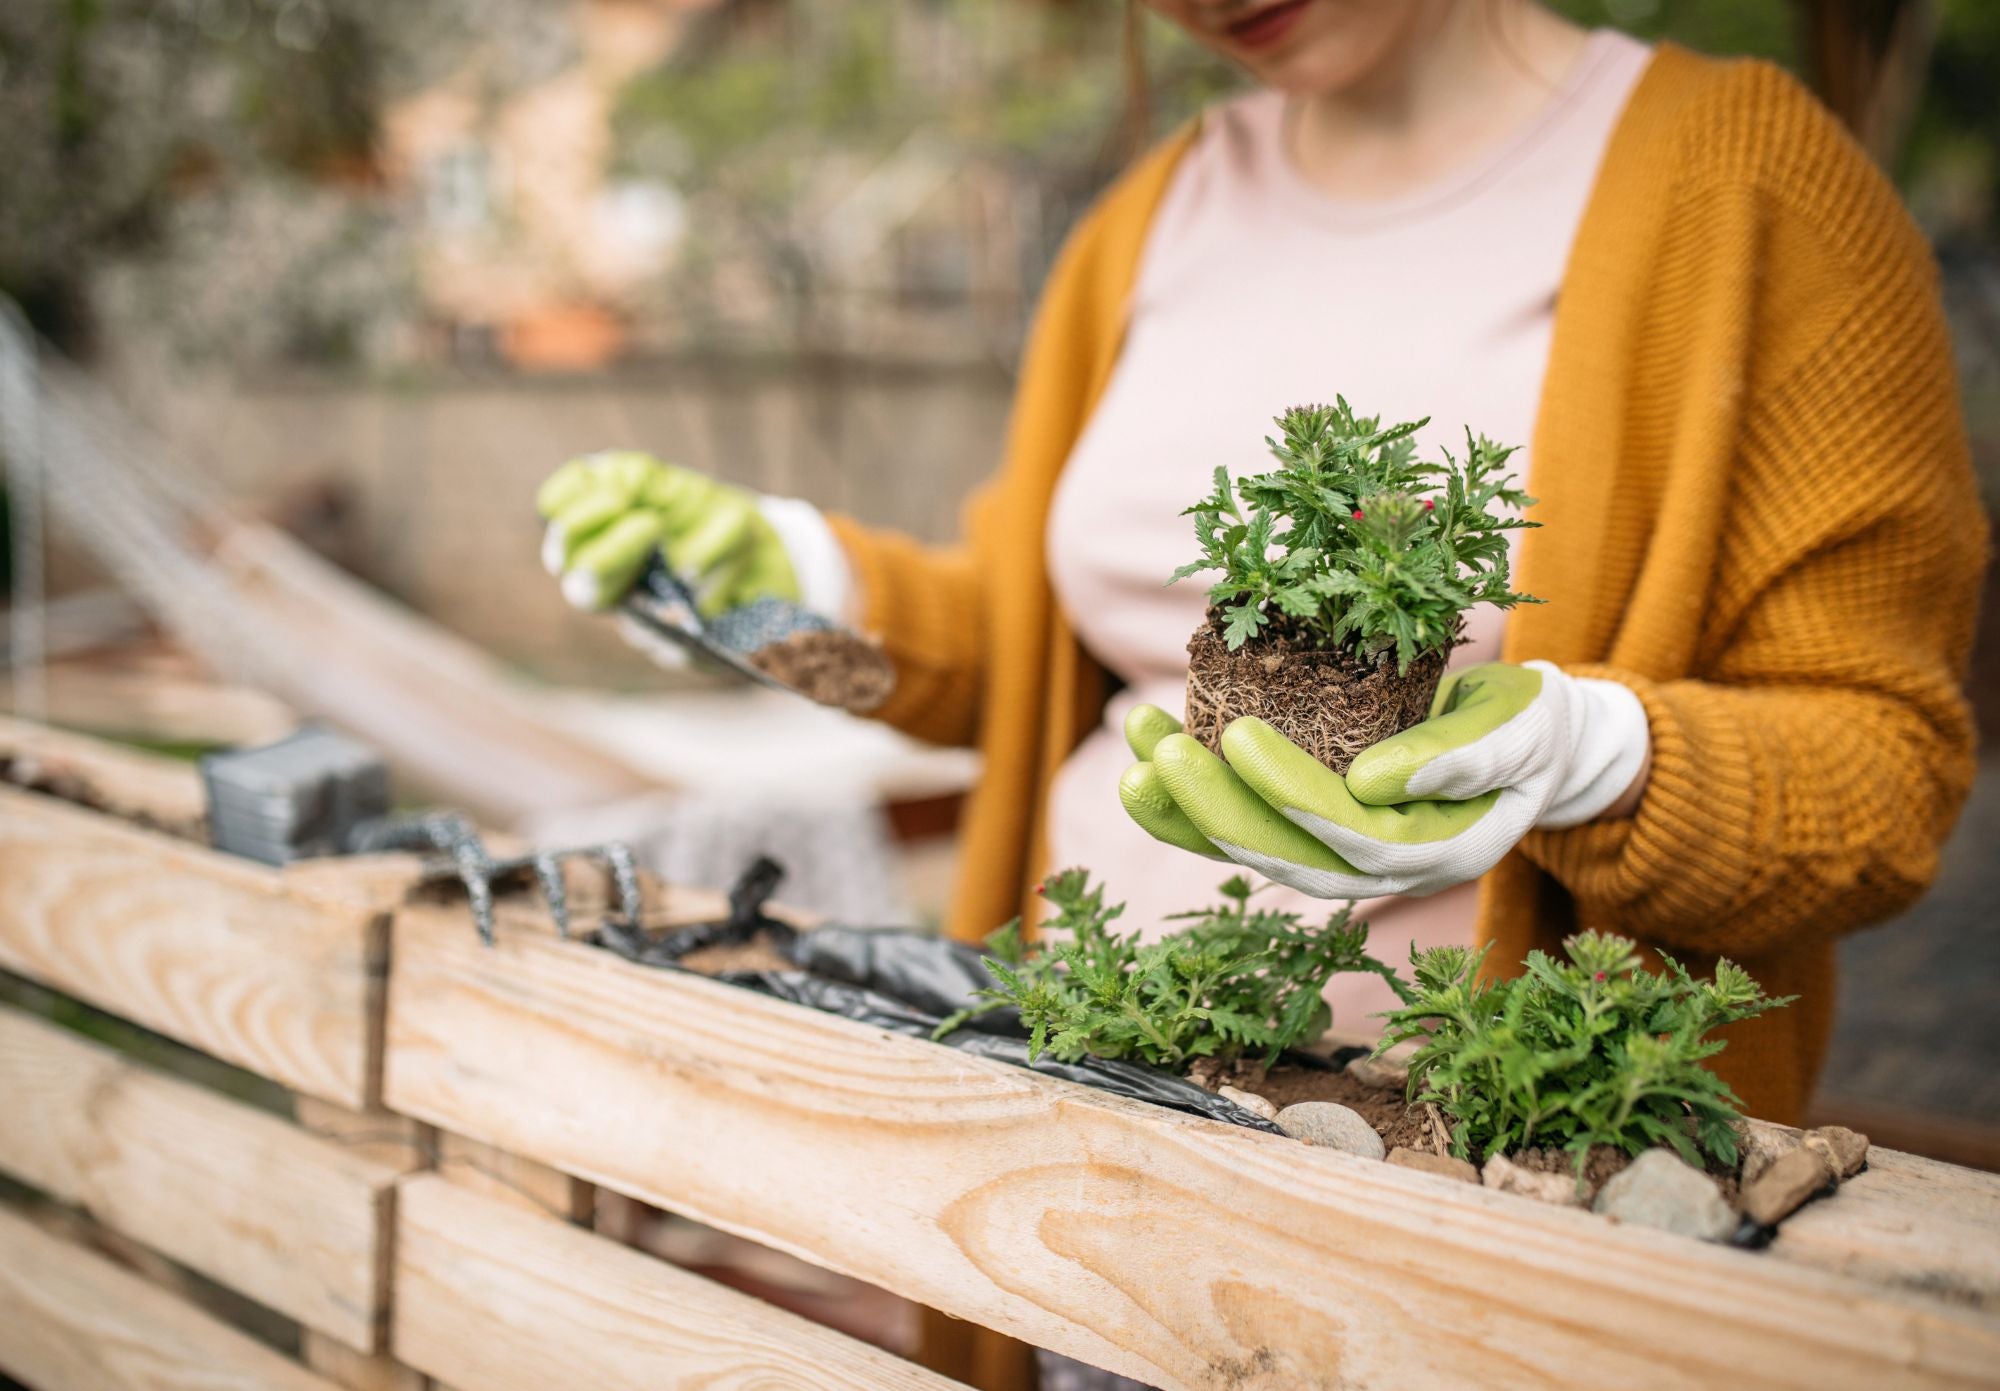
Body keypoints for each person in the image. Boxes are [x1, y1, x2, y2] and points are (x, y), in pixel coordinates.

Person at [536, 0, 1983, 1134]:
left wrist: (1594, 763)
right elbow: (1016, 671)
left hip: (1493, 1194)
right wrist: (780, 602)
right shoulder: (1146, 220)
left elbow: (1887, 781)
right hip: (1082, 1124)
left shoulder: (1750, 188)